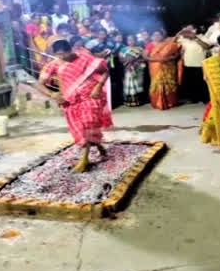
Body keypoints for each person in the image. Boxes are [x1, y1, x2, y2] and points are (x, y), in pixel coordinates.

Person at [37, 39, 113, 173]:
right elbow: (41, 84)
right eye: (58, 54)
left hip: (90, 97)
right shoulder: (54, 65)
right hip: (70, 101)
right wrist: (52, 94)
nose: (61, 57)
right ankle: (99, 147)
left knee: (86, 124)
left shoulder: (85, 58)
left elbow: (104, 71)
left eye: (63, 53)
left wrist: (98, 87)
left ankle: (84, 160)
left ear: (70, 50)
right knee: (81, 128)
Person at [144, 30, 182, 110]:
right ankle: (157, 102)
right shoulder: (150, 45)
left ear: (162, 36)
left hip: (168, 66)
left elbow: (175, 55)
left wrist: (168, 58)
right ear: (152, 36)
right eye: (155, 35)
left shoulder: (168, 44)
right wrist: (158, 59)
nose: (157, 36)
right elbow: (145, 57)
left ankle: (170, 101)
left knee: (168, 83)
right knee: (157, 83)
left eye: (158, 35)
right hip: (155, 67)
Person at [177, 26, 211, 104]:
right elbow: (173, 41)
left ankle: (204, 98)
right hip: (188, 63)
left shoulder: (202, 37)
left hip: (200, 63)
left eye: (190, 29)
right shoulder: (183, 39)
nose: (188, 31)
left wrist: (195, 38)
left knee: (202, 83)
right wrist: (181, 31)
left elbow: (207, 47)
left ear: (195, 30)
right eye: (187, 29)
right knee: (191, 83)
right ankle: (193, 98)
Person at [119, 35, 146, 106]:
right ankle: (129, 101)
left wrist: (136, 62)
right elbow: (121, 59)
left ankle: (139, 100)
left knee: (138, 84)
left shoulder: (140, 49)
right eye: (129, 40)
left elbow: (144, 58)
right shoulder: (123, 49)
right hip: (128, 68)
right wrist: (128, 62)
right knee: (129, 83)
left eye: (132, 40)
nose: (130, 41)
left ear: (135, 40)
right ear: (127, 41)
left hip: (138, 68)